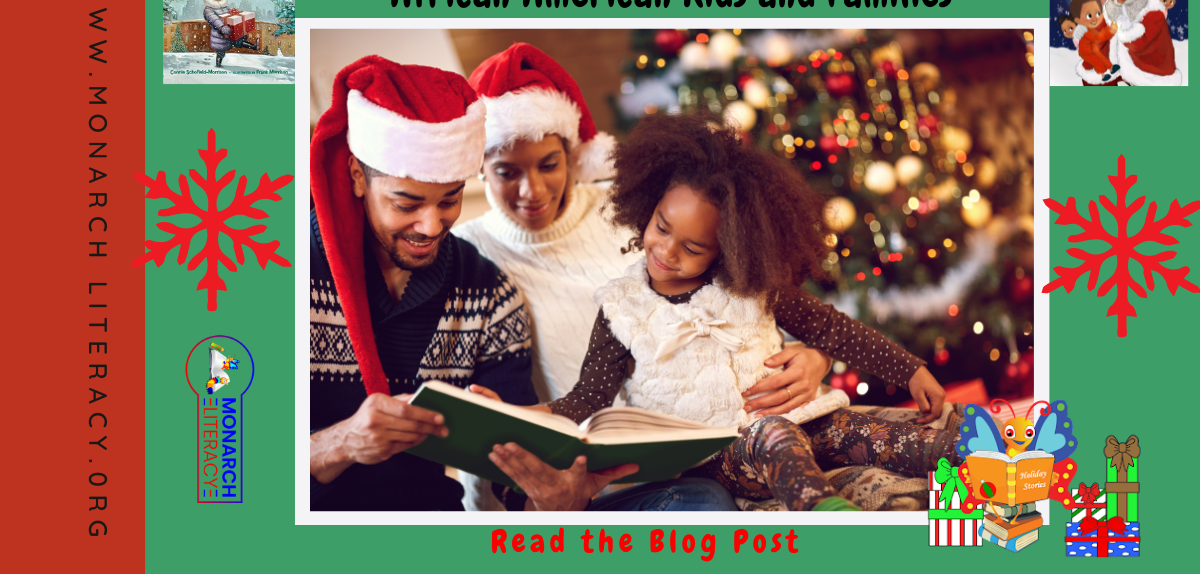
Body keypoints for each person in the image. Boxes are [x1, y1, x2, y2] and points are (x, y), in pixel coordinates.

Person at [308, 55, 731, 512]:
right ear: (357, 176)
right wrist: (336, 445)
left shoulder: (485, 289)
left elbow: (515, 461)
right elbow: (221, 457)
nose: (431, 225)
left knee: (701, 500)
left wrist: (546, 500)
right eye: (406, 203)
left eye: (449, 200)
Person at [479, 115, 954, 511]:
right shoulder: (621, 308)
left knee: (875, 433)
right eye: (661, 227)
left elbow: (831, 329)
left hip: (803, 420)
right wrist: (515, 414)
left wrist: (910, 369)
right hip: (718, 457)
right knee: (771, 434)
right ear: (648, 207)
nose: (665, 252)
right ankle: (825, 515)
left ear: (727, 249)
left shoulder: (750, 286)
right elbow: (586, 399)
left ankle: (986, 457)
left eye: (692, 247)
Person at [453, 43, 833, 510]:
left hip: (724, 431)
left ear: (571, 153)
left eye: (549, 164)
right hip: (603, 477)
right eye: (506, 171)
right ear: (479, 167)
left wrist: (812, 355)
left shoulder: (637, 208)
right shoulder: (468, 254)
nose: (532, 190)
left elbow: (735, 294)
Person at [1096, 0, 1183, 86]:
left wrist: (1125, 31)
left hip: (1151, 72)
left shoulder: (1154, 14)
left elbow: (1137, 44)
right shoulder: (1117, 10)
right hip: (1128, 65)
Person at [1070, 0, 1119, 83]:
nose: (1095, 19)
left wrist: (1109, 29)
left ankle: (1111, 68)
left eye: (1097, 13)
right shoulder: (1085, 31)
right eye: (1089, 16)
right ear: (1078, 20)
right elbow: (1098, 38)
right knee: (1097, 61)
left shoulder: (1090, 27)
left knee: (1101, 56)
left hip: (1093, 48)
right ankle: (1103, 75)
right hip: (1086, 52)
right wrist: (1110, 31)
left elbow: (1099, 35)